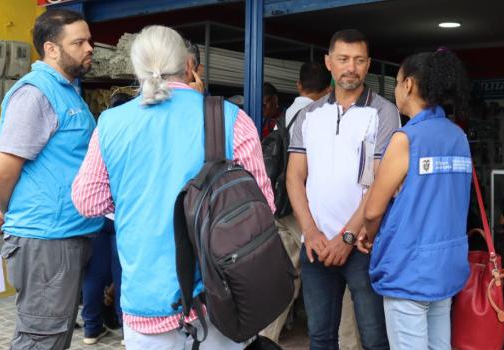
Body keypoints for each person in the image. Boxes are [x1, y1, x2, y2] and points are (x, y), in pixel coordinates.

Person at [72, 25, 274, 349]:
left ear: (136, 70)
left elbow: (87, 202)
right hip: (220, 296)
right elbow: (264, 205)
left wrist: (133, 199)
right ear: (189, 66)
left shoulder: (111, 123)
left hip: (146, 299)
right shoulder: (231, 118)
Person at [0, 9, 104, 349]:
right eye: (79, 42)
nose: (89, 49)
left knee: (54, 336)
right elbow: (1, 169)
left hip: (63, 237)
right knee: (41, 339)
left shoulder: (66, 91)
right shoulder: (36, 93)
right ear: (52, 49)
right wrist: (6, 208)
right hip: (46, 241)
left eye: (90, 41)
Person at [286, 29, 399, 350]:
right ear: (329, 63)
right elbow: (295, 176)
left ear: (368, 65)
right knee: (320, 337)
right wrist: (311, 230)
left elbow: (382, 182)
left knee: (375, 338)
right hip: (316, 245)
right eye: (343, 59)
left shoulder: (383, 112)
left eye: (359, 60)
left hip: (362, 246)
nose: (351, 67)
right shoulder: (310, 115)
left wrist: (347, 237)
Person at [360, 49, 472, 350]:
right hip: (445, 266)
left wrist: (367, 237)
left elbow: (372, 210)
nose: (396, 89)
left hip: (408, 269)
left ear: (408, 85)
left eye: (397, 82)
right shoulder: (458, 137)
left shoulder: (406, 139)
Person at [259, 62, 331, 344]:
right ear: (328, 90)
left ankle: (265, 338)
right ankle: (321, 332)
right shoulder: (321, 116)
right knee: (319, 275)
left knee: (283, 275)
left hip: (278, 204)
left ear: (299, 86)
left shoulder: (285, 115)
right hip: (304, 209)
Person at [80, 93, 131, 345]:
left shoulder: (102, 136)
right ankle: (125, 329)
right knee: (122, 272)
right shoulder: (134, 138)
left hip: (99, 216)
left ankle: (91, 327)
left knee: (94, 273)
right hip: (123, 218)